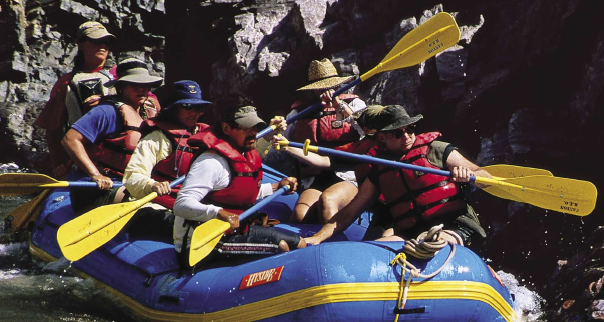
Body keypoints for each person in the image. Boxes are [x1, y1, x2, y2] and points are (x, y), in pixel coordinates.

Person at [303, 105, 491, 248]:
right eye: (398, 133)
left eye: (410, 129)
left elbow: (485, 176)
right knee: (379, 248)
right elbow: (349, 212)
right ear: (383, 138)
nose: (407, 135)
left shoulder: (437, 149)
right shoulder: (381, 169)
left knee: (429, 242)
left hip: (454, 226)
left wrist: (470, 175)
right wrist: (317, 238)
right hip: (411, 233)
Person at [172, 97, 301, 266]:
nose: (253, 132)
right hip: (203, 241)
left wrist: (277, 186)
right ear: (226, 128)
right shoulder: (211, 162)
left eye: (255, 126)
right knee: (281, 248)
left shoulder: (244, 154)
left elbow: (237, 194)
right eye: (246, 127)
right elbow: (180, 205)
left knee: (300, 243)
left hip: (236, 231)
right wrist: (219, 213)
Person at [62, 58, 162, 213]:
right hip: (98, 187)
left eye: (145, 85)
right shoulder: (106, 112)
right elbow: (70, 139)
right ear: (121, 87)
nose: (141, 90)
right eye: (135, 85)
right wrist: (96, 175)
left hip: (133, 182)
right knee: (146, 209)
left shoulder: (148, 113)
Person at [121, 80, 211, 237]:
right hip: (159, 206)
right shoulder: (158, 137)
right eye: (188, 107)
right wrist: (153, 184)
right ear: (174, 108)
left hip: (195, 205)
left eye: (199, 108)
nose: (194, 113)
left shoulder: (207, 135)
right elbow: (132, 175)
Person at [283, 59, 366, 224]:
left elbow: (368, 131)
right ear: (313, 90)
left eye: (331, 86)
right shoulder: (298, 113)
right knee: (300, 214)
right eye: (321, 87)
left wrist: (340, 107)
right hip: (315, 177)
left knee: (327, 201)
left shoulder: (354, 104)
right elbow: (281, 147)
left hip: (349, 175)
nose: (327, 91)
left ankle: (334, 242)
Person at [34, 21, 118, 178]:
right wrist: (57, 164)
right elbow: (53, 128)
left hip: (118, 154)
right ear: (81, 45)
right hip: (83, 156)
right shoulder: (65, 83)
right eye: (95, 41)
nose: (102, 46)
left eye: (106, 42)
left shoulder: (122, 76)